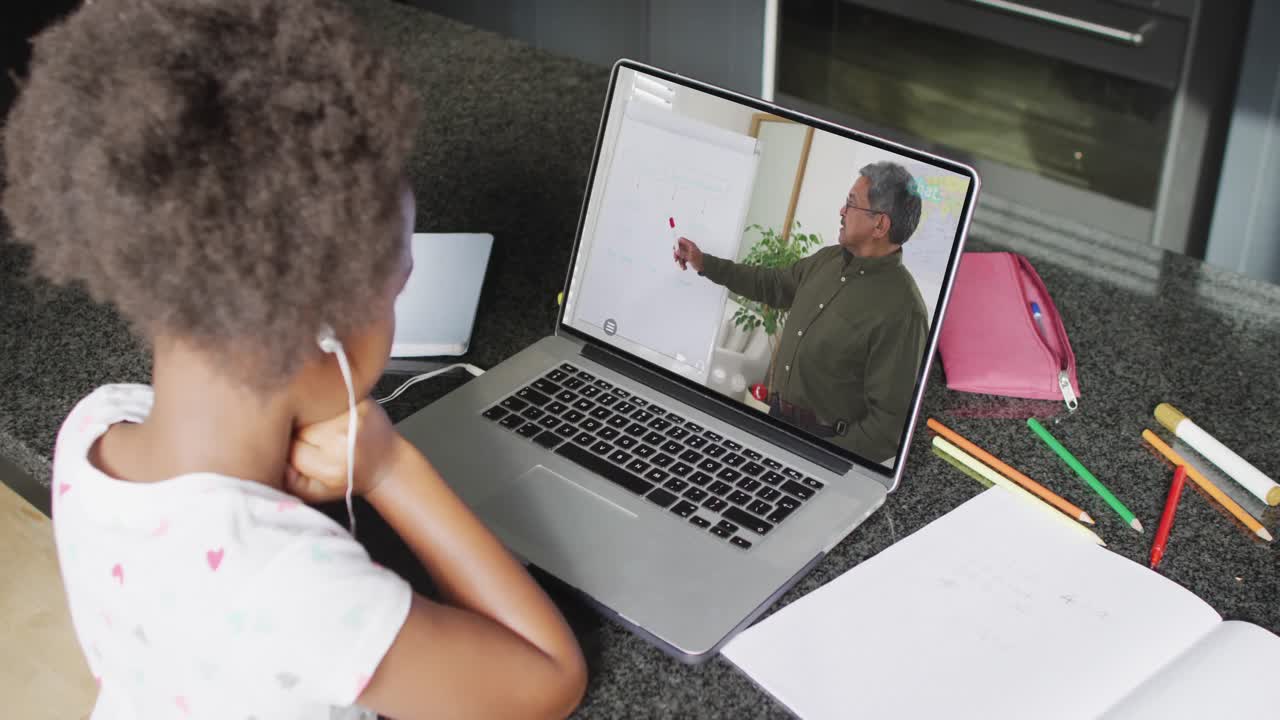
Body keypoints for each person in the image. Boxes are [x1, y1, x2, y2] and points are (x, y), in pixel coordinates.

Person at [2, 1, 587, 718]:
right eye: (396, 287)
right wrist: (390, 468)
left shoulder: (93, 427)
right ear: (329, 329)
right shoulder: (292, 587)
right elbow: (549, 680)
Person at [673, 162, 928, 462]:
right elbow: (770, 284)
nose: (842, 211)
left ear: (880, 225)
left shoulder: (904, 310)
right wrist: (704, 263)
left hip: (822, 447)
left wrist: (826, 458)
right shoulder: (827, 260)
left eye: (851, 203)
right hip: (776, 421)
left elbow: (887, 428)